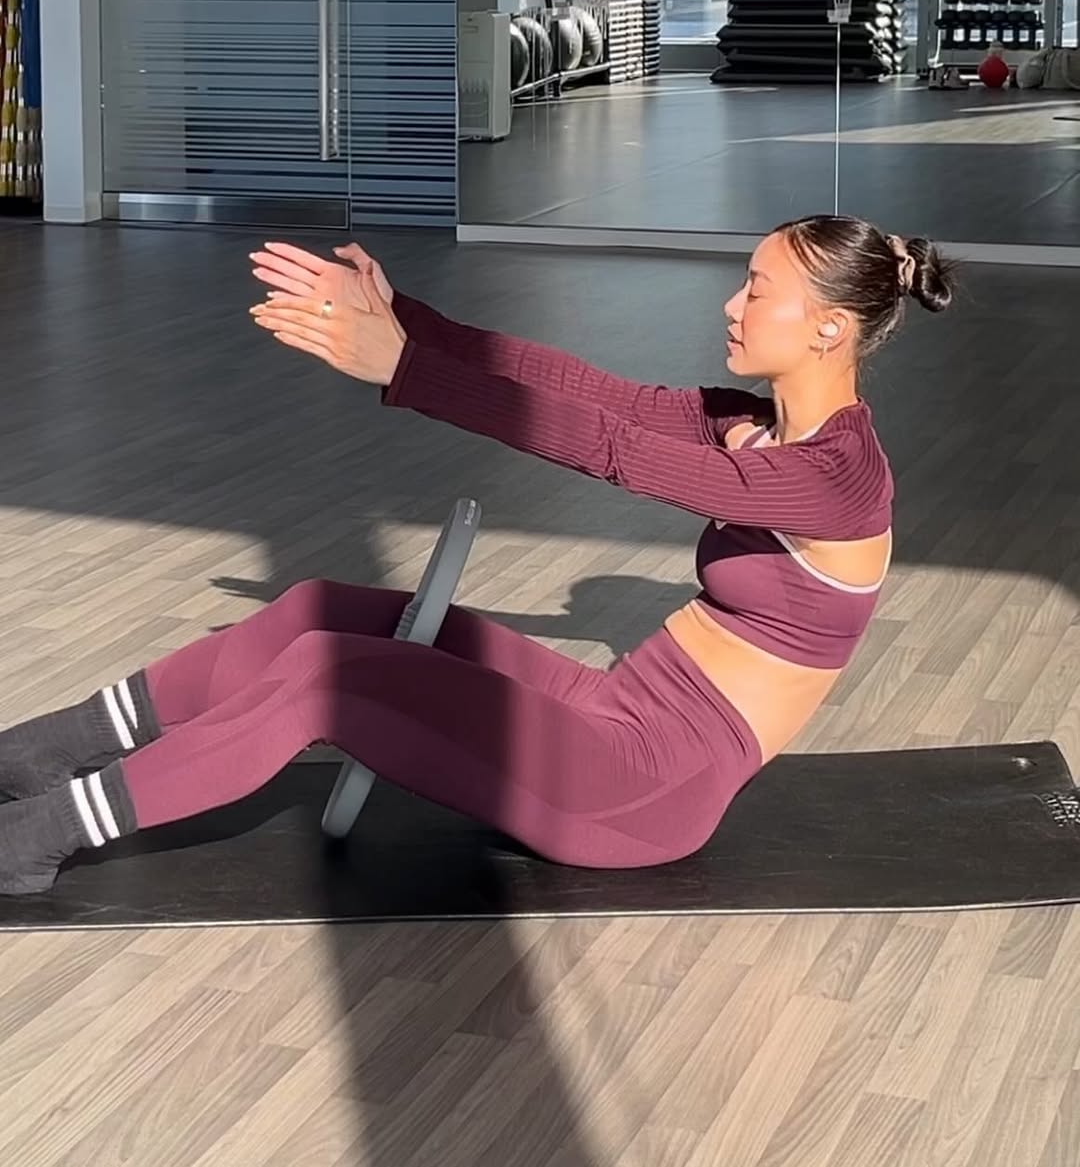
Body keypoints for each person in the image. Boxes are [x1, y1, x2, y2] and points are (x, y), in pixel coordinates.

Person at [0, 215, 953, 894]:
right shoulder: (751, 422)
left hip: (646, 782)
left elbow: (614, 451)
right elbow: (578, 388)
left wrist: (404, 370)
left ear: (830, 326)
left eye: (758, 288)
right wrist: (404, 318)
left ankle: (39, 836)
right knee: (324, 611)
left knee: (328, 679)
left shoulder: (840, 479)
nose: (732, 303)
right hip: (614, 709)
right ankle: (35, 755)